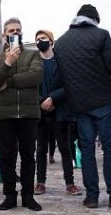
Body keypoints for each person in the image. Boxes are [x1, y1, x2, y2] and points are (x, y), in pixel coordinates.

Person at [54, 4, 111, 209]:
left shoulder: (60, 42)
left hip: (78, 104)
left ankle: (91, 196)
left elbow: (59, 76)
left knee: (87, 150)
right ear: (95, 19)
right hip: (103, 102)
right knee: (110, 149)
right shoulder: (102, 35)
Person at [0, 17, 43, 211]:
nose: (15, 33)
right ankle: (9, 195)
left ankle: (28, 195)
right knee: (7, 157)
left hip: (28, 113)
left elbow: (36, 77)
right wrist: (8, 62)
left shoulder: (33, 55)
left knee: (28, 156)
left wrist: (8, 82)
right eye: (11, 31)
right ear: (4, 35)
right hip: (4, 115)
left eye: (18, 30)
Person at [33, 29, 82, 197]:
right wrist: (41, 101)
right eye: (38, 39)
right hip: (40, 111)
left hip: (59, 110)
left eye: (43, 38)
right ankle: (40, 182)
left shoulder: (61, 60)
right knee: (41, 149)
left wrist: (53, 98)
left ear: (51, 41)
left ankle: (70, 183)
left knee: (65, 148)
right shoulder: (34, 62)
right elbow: (30, 85)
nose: (40, 41)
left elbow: (69, 83)